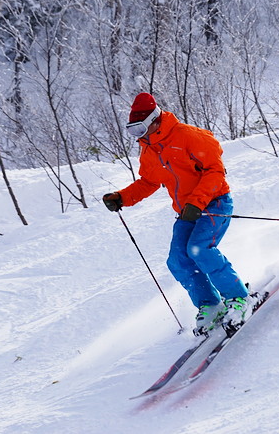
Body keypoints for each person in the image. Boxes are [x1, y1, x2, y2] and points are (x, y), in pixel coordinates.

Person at [103, 93, 251, 336]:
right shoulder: (149, 150)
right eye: (132, 130)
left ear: (155, 119)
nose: (138, 135)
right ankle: (211, 305)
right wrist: (122, 197)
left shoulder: (191, 137)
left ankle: (239, 298)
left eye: (139, 128)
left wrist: (197, 202)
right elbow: (149, 182)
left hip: (215, 203)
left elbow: (215, 172)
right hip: (187, 212)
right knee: (178, 260)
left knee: (199, 249)